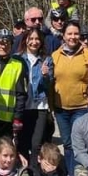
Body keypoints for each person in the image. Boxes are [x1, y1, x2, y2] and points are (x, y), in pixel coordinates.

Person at [52, 20, 88, 176]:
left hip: (82, 106)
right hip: (61, 108)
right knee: (67, 144)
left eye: (76, 33)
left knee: (79, 143)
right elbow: (51, 80)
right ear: (63, 36)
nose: (72, 37)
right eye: (69, 33)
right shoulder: (55, 56)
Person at [16, 29, 55, 167]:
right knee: (22, 143)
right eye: (31, 38)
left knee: (36, 144)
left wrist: (45, 76)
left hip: (40, 106)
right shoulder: (18, 58)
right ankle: (25, 173)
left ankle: (35, 172)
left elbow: (48, 85)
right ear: (25, 40)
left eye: (37, 39)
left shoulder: (47, 60)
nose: (34, 42)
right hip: (23, 106)